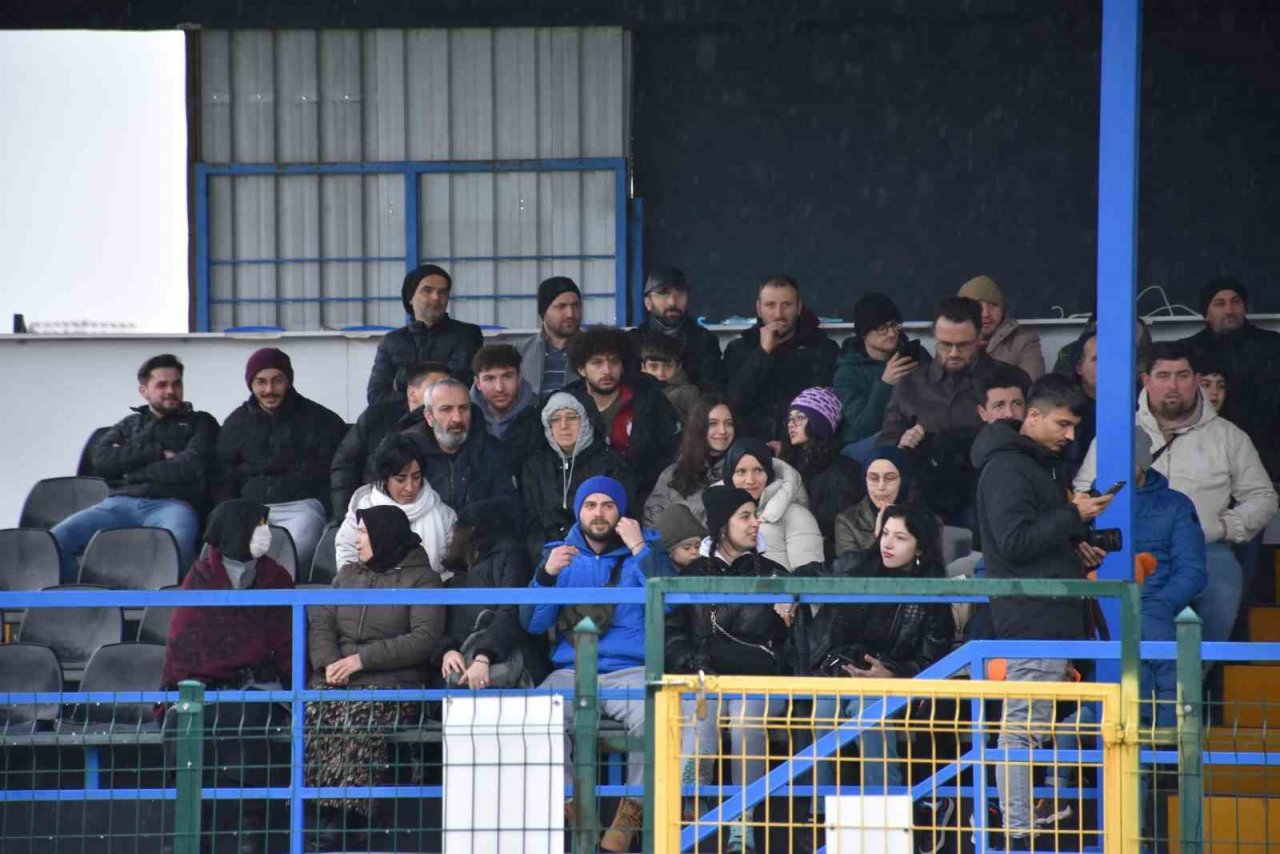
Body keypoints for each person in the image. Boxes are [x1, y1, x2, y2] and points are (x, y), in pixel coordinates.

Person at [971, 374, 1114, 846]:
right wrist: (1075, 515)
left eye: (1074, 427)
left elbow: (1034, 539)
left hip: (1051, 613)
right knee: (1021, 730)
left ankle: (1026, 813)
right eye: (1062, 424)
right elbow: (1013, 542)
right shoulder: (1008, 469)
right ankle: (1017, 825)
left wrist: (1075, 547)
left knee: (1032, 726)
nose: (1070, 435)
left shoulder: (1037, 465)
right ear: (1032, 416)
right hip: (1033, 616)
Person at [1073, 343, 1277, 647]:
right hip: (1128, 545)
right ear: (1146, 380)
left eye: (1182, 375)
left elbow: (1263, 496)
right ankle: (1128, 673)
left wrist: (1226, 527)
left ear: (1196, 380)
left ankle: (1193, 672)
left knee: (1222, 591)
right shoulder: (1118, 434)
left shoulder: (1228, 436)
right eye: (1163, 375)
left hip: (1205, 547)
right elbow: (1083, 492)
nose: (1173, 385)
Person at [525, 476, 673, 853]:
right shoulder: (558, 554)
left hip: (631, 671)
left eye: (608, 505)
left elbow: (672, 603)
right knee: (533, 715)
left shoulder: (645, 550)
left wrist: (639, 548)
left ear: (621, 513)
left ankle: (629, 817)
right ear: (579, 512)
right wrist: (546, 576)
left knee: (661, 716)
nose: (599, 513)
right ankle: (576, 811)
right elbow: (532, 623)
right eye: (590, 505)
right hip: (571, 671)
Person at [802, 503, 954, 831]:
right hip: (840, 669)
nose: (887, 543)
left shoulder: (933, 591)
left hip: (895, 681)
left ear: (920, 547)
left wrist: (895, 673)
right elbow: (808, 573)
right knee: (823, 711)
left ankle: (884, 812)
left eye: (900, 538)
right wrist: (785, 595)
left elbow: (933, 658)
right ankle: (820, 812)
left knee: (867, 709)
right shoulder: (857, 564)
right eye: (885, 534)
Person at [305, 505, 446, 847]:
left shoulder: (422, 579)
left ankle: (351, 816)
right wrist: (329, 664)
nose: (357, 540)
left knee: (358, 714)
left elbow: (423, 638)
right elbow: (321, 622)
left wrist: (361, 660)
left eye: (364, 532)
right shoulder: (347, 575)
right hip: (339, 678)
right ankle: (326, 810)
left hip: (393, 684)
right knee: (317, 709)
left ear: (384, 535)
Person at [160, 499, 294, 854]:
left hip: (259, 686)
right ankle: (188, 834)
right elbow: (183, 643)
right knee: (185, 723)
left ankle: (249, 832)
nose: (266, 532)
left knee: (250, 718)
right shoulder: (200, 578)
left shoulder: (277, 578)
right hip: (205, 686)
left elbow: (286, 643)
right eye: (259, 524)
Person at [665, 485, 791, 854]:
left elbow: (788, 644)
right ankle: (692, 800)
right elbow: (672, 634)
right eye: (745, 516)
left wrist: (791, 607)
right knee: (701, 712)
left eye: (756, 515)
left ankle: (743, 820)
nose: (756, 523)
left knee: (746, 723)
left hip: (759, 680)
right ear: (722, 525)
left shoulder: (776, 575)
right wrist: (694, 662)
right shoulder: (691, 576)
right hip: (704, 677)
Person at [52, 354, 217, 583]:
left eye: (176, 383)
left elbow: (189, 466)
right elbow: (101, 459)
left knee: (178, 542)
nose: (171, 390)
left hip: (171, 505)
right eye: (162, 385)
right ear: (144, 391)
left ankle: (173, 604)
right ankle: (82, 600)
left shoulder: (201, 423)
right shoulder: (129, 424)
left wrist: (131, 472)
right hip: (119, 503)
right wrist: (157, 453)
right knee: (56, 540)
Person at [217, 348, 347, 573]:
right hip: (249, 507)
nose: (269, 390)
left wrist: (327, 508)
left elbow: (337, 472)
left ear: (289, 381)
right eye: (261, 382)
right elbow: (223, 475)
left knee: (294, 552)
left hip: (302, 507)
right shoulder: (236, 424)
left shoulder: (321, 421)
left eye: (277, 380)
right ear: (251, 384)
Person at [880, 297, 1006, 525]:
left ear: (980, 337)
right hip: (924, 493)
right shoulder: (911, 384)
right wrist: (903, 442)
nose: (954, 353)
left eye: (963, 345)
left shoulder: (1007, 381)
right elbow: (888, 443)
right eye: (945, 345)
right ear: (935, 338)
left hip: (985, 490)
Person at [1176, 277, 1280, 478]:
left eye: (1236, 302)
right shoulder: (1186, 351)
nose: (1229, 310)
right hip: (1207, 457)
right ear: (1206, 313)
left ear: (1245, 308)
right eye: (1219, 303)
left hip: (1268, 454)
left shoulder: (1273, 346)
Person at [563, 326, 682, 500]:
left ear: (622, 366)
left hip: (645, 498)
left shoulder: (649, 401)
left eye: (614, 362)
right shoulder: (567, 406)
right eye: (597, 363)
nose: (607, 370)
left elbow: (672, 453)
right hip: (583, 501)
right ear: (582, 369)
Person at [436, 500, 539, 690]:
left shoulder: (511, 557)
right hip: (463, 670)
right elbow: (442, 623)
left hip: (504, 669)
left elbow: (512, 611)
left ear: (471, 530)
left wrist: (483, 656)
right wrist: (448, 651)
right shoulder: (458, 573)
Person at [521, 391, 634, 562]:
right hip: (547, 556)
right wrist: (545, 554)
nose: (563, 426)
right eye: (555, 419)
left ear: (586, 420)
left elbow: (620, 517)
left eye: (572, 417)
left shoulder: (610, 463)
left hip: (598, 555)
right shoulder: (535, 466)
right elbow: (532, 521)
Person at [723, 275, 839, 440]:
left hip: (804, 445)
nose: (778, 314)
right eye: (770, 305)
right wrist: (762, 352)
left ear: (799, 307)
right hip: (751, 447)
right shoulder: (739, 349)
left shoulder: (823, 349)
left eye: (786, 305)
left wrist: (786, 444)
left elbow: (827, 411)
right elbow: (733, 404)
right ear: (759, 308)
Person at [330, 361, 451, 519]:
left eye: (448, 388)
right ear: (412, 393)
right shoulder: (376, 417)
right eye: (436, 388)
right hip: (368, 510)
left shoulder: (453, 426)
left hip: (429, 513)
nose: (445, 394)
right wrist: (347, 515)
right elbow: (344, 466)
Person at [334, 433, 457, 571]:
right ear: (385, 478)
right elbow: (346, 554)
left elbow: (453, 568)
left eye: (416, 477)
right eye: (401, 479)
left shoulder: (443, 515)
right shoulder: (363, 508)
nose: (410, 487)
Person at [404, 377, 521, 519]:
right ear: (429, 417)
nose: (457, 418)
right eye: (446, 409)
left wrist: (473, 517)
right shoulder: (407, 452)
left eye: (464, 408)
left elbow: (509, 506)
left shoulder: (492, 451)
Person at [366, 264, 485, 403]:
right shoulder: (392, 341)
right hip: (402, 416)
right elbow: (376, 395)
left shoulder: (467, 334)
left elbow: (458, 385)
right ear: (410, 297)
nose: (436, 297)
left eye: (443, 292)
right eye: (427, 290)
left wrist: (405, 385)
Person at [833, 293, 923, 464]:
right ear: (864, 333)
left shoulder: (912, 355)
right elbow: (862, 428)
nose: (891, 333)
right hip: (864, 443)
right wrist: (885, 385)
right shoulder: (847, 373)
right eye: (882, 328)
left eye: (895, 325)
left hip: (911, 434)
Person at [779, 387, 864, 559]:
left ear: (820, 423)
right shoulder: (790, 463)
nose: (791, 424)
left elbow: (831, 524)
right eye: (790, 418)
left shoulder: (844, 472)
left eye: (800, 418)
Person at [722, 438, 823, 572]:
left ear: (769, 473)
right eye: (741, 471)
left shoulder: (797, 516)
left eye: (758, 470)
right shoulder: (716, 515)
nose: (750, 480)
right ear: (729, 476)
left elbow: (810, 578)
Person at [644, 394, 738, 528]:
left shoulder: (743, 472)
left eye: (729, 424)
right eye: (713, 424)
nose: (722, 431)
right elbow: (652, 522)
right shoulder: (673, 474)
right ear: (699, 426)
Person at [626, 265, 724, 390]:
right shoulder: (632, 342)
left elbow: (712, 389)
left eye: (680, 293)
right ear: (648, 303)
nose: (672, 302)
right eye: (663, 294)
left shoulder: (704, 341)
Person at [469, 343, 543, 478]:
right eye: (489, 379)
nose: (499, 388)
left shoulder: (541, 415)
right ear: (477, 383)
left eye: (507, 376)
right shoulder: (464, 418)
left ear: (519, 377)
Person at [958, 274, 1045, 379]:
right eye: (977, 306)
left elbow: (1032, 383)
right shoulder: (948, 340)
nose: (985, 314)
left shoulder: (1024, 340)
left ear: (1003, 310)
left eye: (992, 305)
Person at [833, 447, 915, 557]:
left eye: (890, 478)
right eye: (873, 478)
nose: (881, 487)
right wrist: (878, 537)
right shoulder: (847, 521)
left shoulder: (928, 520)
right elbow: (848, 566)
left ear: (903, 481)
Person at [517, 276, 583, 397]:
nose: (570, 314)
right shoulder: (520, 352)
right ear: (544, 311)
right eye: (561, 306)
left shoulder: (594, 351)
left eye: (575, 306)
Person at [637, 331, 701, 425]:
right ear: (643, 367)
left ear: (678, 367)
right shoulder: (635, 392)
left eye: (668, 366)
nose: (660, 373)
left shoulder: (688, 393)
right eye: (653, 366)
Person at [1061, 331, 1097, 482]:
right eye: (1097, 359)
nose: (1107, 364)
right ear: (1079, 368)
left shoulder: (1137, 404)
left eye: (1113, 357)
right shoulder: (1065, 408)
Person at [654, 503, 707, 571]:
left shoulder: (704, 570)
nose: (694, 552)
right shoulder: (655, 571)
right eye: (687, 548)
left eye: (697, 547)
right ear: (670, 550)